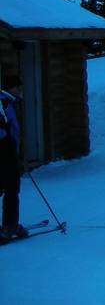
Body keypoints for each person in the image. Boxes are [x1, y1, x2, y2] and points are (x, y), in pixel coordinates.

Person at [0, 72, 28, 244]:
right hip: (5, 154)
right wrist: (9, 147)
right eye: (18, 87)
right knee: (11, 189)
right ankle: (9, 226)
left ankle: (10, 225)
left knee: (7, 188)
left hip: (9, 153)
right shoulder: (4, 104)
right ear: (11, 88)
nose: (20, 90)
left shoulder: (8, 102)